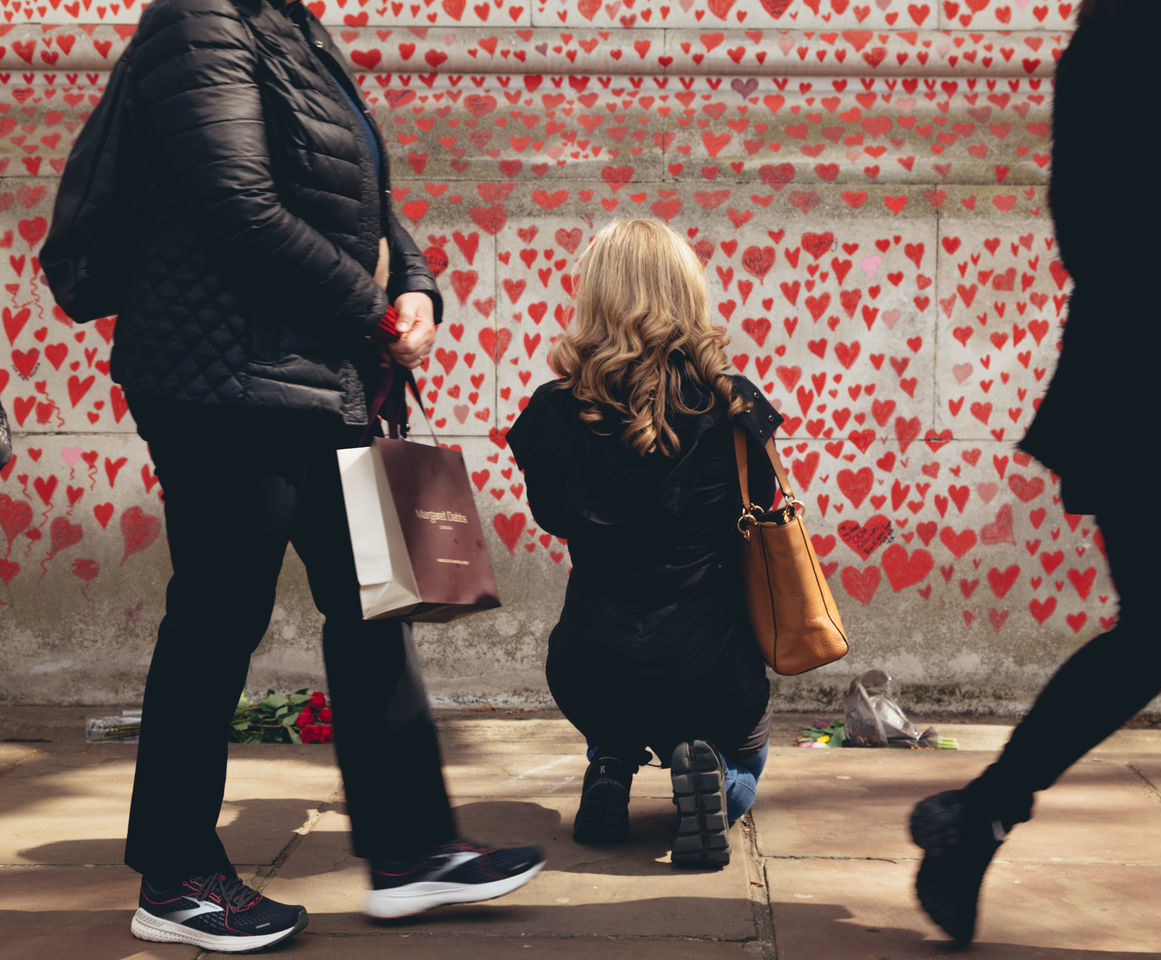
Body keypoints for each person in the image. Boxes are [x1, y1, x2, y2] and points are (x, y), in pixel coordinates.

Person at [81, 0, 544, 950]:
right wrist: (374, 313)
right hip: (220, 379)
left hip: (314, 369)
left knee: (373, 599)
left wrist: (415, 284)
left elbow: (360, 193)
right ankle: (174, 877)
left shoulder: (287, 26)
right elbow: (240, 208)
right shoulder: (198, 22)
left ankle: (411, 852)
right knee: (218, 614)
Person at [908, 1, 1161, 956]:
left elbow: (1086, 231)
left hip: (1142, 375)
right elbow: (1095, 227)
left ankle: (981, 815)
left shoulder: (1107, 37)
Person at [507, 218, 779, 870]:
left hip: (589, 666)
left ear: (595, 295)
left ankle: (610, 763)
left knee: (618, 701)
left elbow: (551, 517)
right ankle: (716, 774)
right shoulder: (735, 407)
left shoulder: (552, 410)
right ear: (688, 293)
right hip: (710, 668)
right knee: (748, 752)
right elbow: (763, 511)